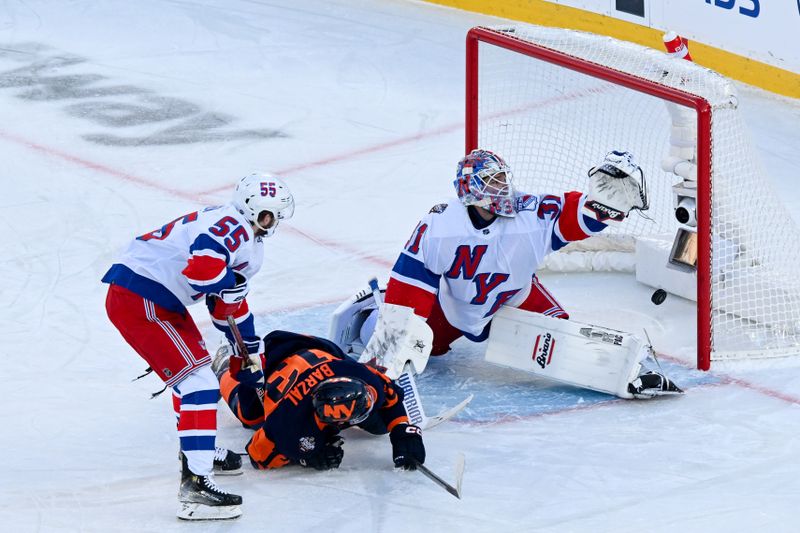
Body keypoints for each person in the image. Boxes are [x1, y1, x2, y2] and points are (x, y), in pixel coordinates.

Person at [332, 149, 677, 397]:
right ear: (471, 192)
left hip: (514, 297)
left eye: (503, 179)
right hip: (454, 308)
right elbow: (410, 290)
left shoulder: (530, 215)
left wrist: (602, 204)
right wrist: (391, 350)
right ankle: (365, 313)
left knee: (561, 338)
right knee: (416, 344)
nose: (503, 188)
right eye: (493, 182)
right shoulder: (440, 226)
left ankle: (626, 372)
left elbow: (575, 219)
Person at [102, 172, 294, 521]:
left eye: (275, 214)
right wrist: (228, 283)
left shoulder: (243, 236)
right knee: (200, 384)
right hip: (141, 296)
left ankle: (198, 450)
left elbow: (225, 307)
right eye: (266, 214)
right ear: (249, 210)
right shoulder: (231, 227)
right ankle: (196, 485)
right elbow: (202, 274)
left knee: (194, 378)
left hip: (155, 298)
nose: (272, 221)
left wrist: (248, 349)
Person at [212, 330, 425, 472]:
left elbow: (391, 397)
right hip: (272, 363)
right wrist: (306, 456)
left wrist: (401, 430)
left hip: (315, 347)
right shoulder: (288, 420)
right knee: (251, 415)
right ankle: (223, 367)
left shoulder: (367, 379)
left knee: (380, 425)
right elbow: (257, 456)